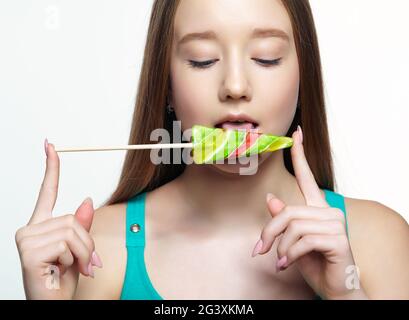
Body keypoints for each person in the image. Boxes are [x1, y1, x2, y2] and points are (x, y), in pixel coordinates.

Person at [15, 0, 409, 300]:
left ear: (302, 73)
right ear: (166, 84)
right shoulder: (94, 250)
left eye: (266, 57)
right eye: (202, 61)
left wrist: (345, 293)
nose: (235, 85)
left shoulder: (378, 239)